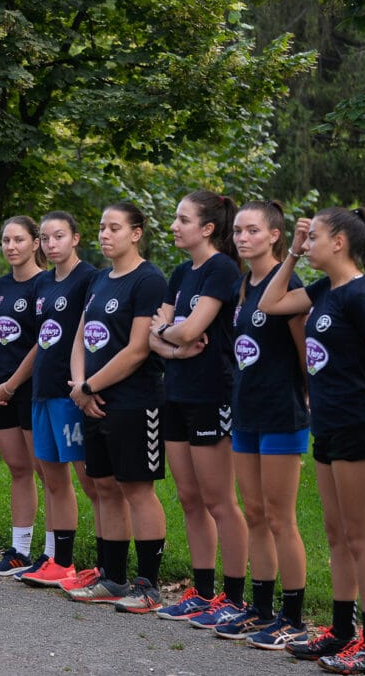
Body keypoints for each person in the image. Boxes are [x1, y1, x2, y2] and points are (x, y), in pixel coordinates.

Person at [260, 207, 365, 674]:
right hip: (329, 426)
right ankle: (342, 632)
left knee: (360, 535)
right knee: (337, 533)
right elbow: (270, 304)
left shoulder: (361, 296)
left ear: (339, 242)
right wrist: (293, 254)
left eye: (313, 237)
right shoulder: (325, 289)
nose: (306, 242)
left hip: (359, 425)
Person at [149, 191, 249, 628]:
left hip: (212, 393)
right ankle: (203, 592)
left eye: (182, 218)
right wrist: (173, 349)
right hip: (176, 393)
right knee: (189, 498)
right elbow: (155, 337)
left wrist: (170, 333)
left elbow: (187, 328)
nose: (174, 225)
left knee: (218, 500)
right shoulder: (179, 272)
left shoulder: (222, 269)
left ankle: (236, 596)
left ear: (207, 228)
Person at [212, 201, 310, 648]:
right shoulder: (242, 285)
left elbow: (308, 356)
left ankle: (293, 616)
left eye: (252, 230)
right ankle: (262, 608)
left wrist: (309, 404)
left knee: (279, 517)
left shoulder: (288, 285)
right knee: (253, 513)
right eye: (237, 231)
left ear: (275, 236)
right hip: (245, 411)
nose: (242, 238)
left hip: (281, 414)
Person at [65, 203, 168, 612]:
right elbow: (80, 337)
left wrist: (91, 385)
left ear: (136, 233)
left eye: (114, 228)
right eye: (101, 227)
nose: (104, 234)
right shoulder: (100, 280)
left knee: (137, 490)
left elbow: (139, 348)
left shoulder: (149, 280)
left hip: (135, 401)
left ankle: (148, 586)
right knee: (104, 488)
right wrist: (80, 387)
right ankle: (112, 577)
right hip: (92, 401)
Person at [19, 211, 105, 588]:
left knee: (92, 482)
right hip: (42, 390)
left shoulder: (90, 279)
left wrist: (86, 383)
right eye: (46, 238)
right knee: (53, 479)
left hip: (71, 393)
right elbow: (44, 340)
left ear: (75, 238)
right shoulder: (42, 285)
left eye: (59, 237)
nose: (52, 244)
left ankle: (108, 565)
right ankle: (62, 561)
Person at [0, 215, 46, 575]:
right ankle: (19, 550)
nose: (11, 247)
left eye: (19, 240)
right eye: (6, 241)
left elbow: (42, 344)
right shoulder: (0, 286)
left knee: (46, 471)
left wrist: (13, 384)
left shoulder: (44, 284)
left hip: (29, 389)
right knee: (18, 470)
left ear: (36, 243)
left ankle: (52, 554)